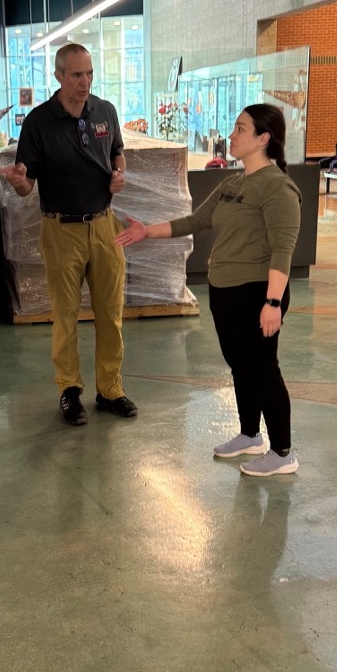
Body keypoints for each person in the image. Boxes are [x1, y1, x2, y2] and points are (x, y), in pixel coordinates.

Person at [116, 104, 301, 476]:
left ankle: (283, 452)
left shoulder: (278, 188)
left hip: (258, 292)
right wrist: (146, 231)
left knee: (263, 369)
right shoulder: (232, 184)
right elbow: (195, 221)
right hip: (225, 291)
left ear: (263, 138)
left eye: (241, 128)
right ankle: (250, 435)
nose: (231, 135)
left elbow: (283, 249)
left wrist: (272, 302)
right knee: (240, 366)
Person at [0, 42, 137, 426]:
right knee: (65, 315)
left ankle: (110, 389)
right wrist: (20, 181)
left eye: (89, 73)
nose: (84, 82)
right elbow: (27, 186)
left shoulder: (105, 111)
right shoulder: (39, 122)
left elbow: (118, 153)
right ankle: (70, 390)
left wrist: (120, 173)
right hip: (61, 231)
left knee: (110, 313)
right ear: (58, 75)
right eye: (76, 74)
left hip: (105, 226)